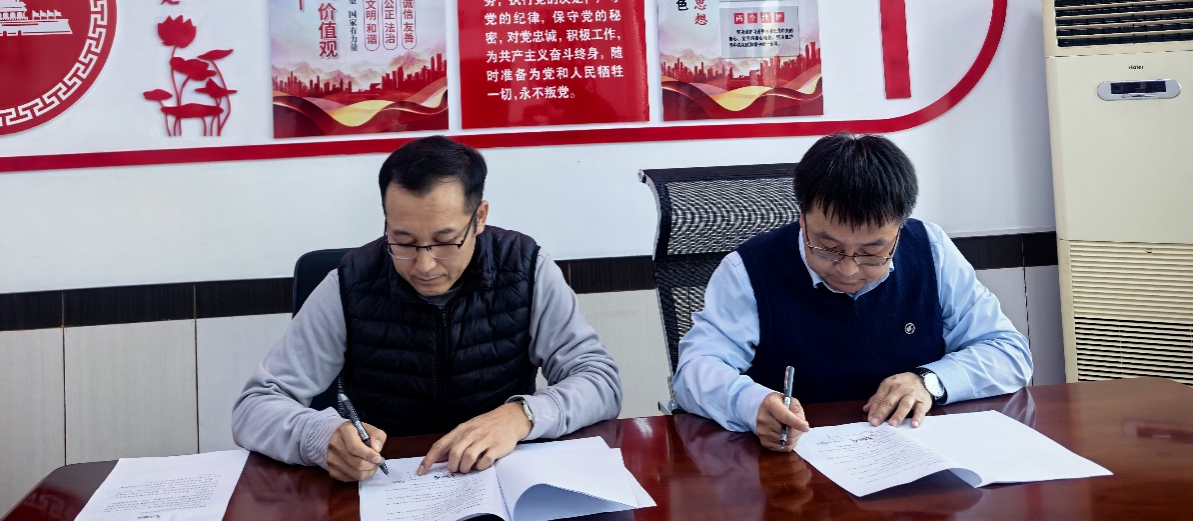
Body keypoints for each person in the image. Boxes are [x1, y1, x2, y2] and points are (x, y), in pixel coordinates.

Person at [233, 135, 622, 480]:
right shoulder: (350, 282)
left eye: (445, 241)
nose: (424, 265)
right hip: (387, 483)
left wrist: (522, 416)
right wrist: (319, 437)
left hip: (501, 476)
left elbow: (599, 381)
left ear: (479, 218)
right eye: (403, 242)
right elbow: (255, 407)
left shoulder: (525, 268)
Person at [673, 132, 1033, 453]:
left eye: (872, 252)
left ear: (900, 230)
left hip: (914, 452)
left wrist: (929, 381)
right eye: (827, 248)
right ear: (802, 218)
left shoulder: (931, 250)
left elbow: (1008, 352)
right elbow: (694, 371)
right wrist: (750, 404)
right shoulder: (748, 269)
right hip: (793, 462)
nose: (848, 269)